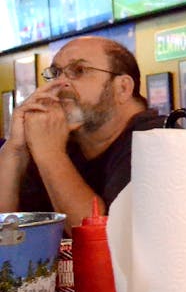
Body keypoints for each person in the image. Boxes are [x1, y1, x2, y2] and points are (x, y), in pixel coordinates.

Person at [0, 37, 161, 231]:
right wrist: (15, 148)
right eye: (55, 73)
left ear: (123, 88)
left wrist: (50, 154)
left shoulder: (157, 140)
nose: (61, 83)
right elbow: (7, 230)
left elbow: (104, 240)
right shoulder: (60, 139)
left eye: (79, 70)